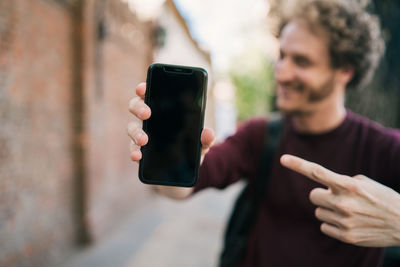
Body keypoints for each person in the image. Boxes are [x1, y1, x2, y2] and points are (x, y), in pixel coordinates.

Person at [127, 0, 400, 266]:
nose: (281, 73)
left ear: (345, 71)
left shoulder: (385, 149)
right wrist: (164, 156)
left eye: (302, 62)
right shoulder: (260, 135)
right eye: (282, 56)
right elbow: (184, 188)